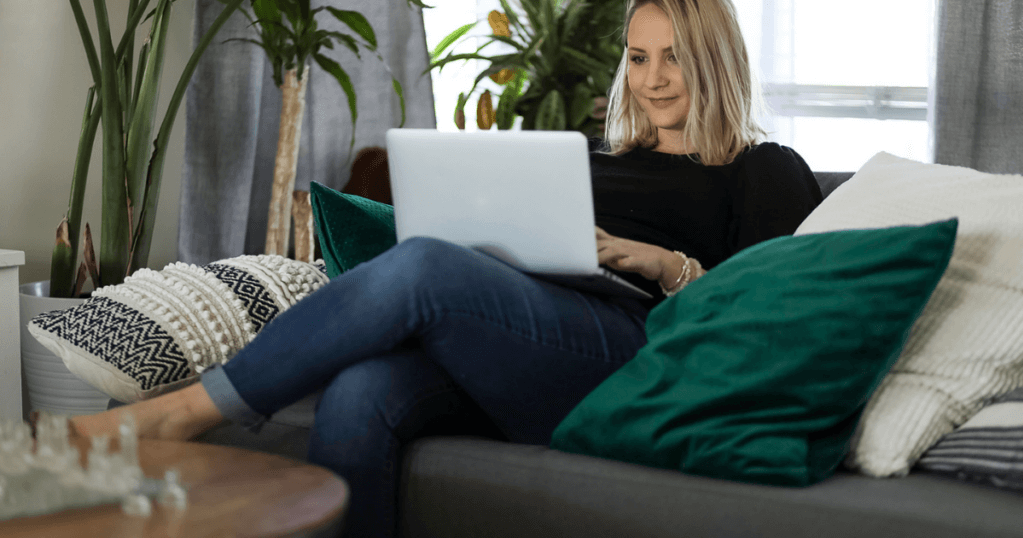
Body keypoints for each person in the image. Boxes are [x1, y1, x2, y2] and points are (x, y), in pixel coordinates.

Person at [71, 0, 822, 536]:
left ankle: (183, 412)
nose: (654, 78)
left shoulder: (763, 169)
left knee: (425, 263)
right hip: (519, 331)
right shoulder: (593, 159)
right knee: (360, 392)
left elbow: (760, 316)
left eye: (675, 57)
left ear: (716, 59)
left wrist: (660, 261)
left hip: (626, 346)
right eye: (638, 57)